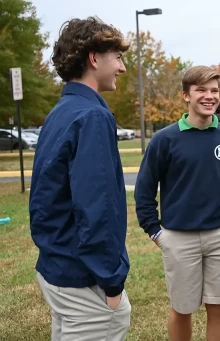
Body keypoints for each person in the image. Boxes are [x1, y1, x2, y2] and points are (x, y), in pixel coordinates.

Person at [134, 65, 220, 341]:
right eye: (201, 90)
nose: (209, 96)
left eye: (214, 90)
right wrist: (156, 232)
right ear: (185, 96)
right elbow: (144, 191)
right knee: (181, 309)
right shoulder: (165, 140)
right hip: (178, 237)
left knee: (218, 310)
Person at [29, 17, 131, 340]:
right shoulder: (91, 116)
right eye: (117, 57)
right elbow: (96, 208)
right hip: (84, 283)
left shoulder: (61, 112)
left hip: (57, 271)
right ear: (94, 58)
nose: (122, 67)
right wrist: (112, 283)